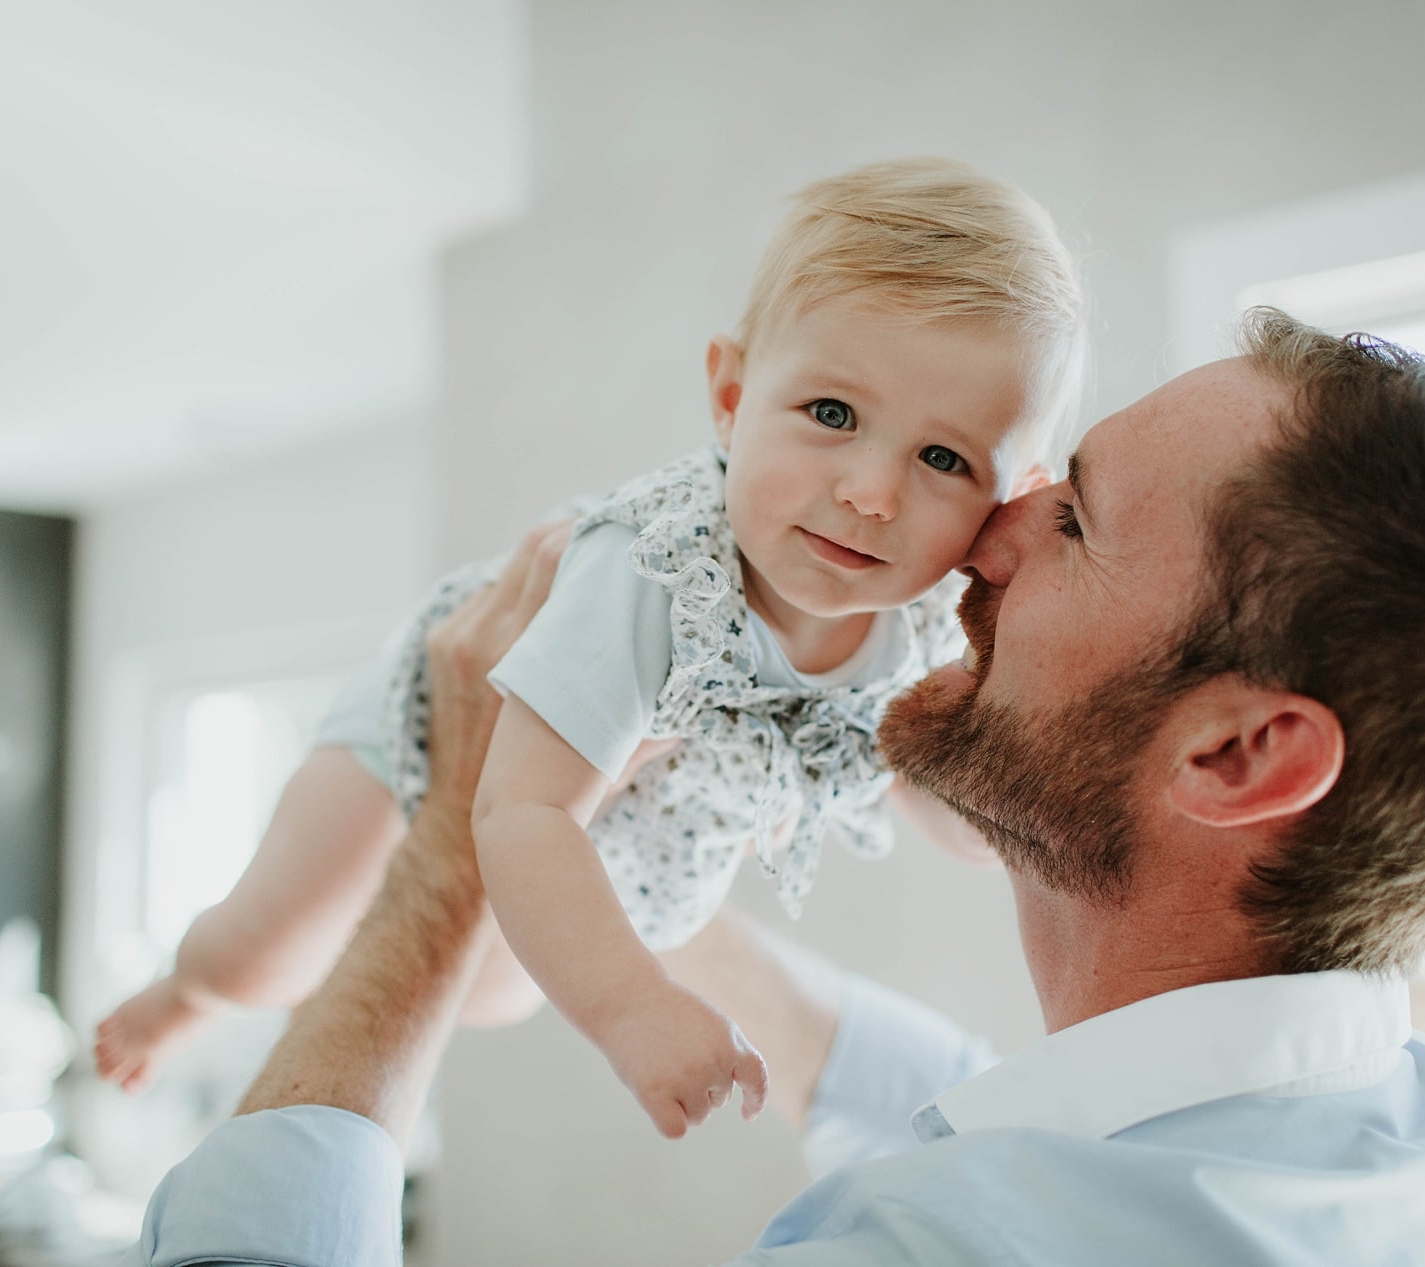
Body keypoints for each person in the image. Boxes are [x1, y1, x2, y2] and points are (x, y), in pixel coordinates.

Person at [124, 310, 1425, 1266]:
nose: (983, 530)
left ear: (1238, 751)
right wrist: (662, 842)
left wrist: (462, 855)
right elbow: (958, 1110)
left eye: (1075, 523)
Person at [95, 158, 1082, 1138]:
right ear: (732, 398)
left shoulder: (914, 631)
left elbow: (931, 799)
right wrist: (632, 1009)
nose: (872, 490)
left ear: (1012, 502)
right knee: (265, 951)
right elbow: (522, 807)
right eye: (832, 414)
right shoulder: (652, 573)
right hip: (434, 736)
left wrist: (1036, 811)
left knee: (490, 992)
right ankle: (181, 995)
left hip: (602, 834)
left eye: (943, 459)